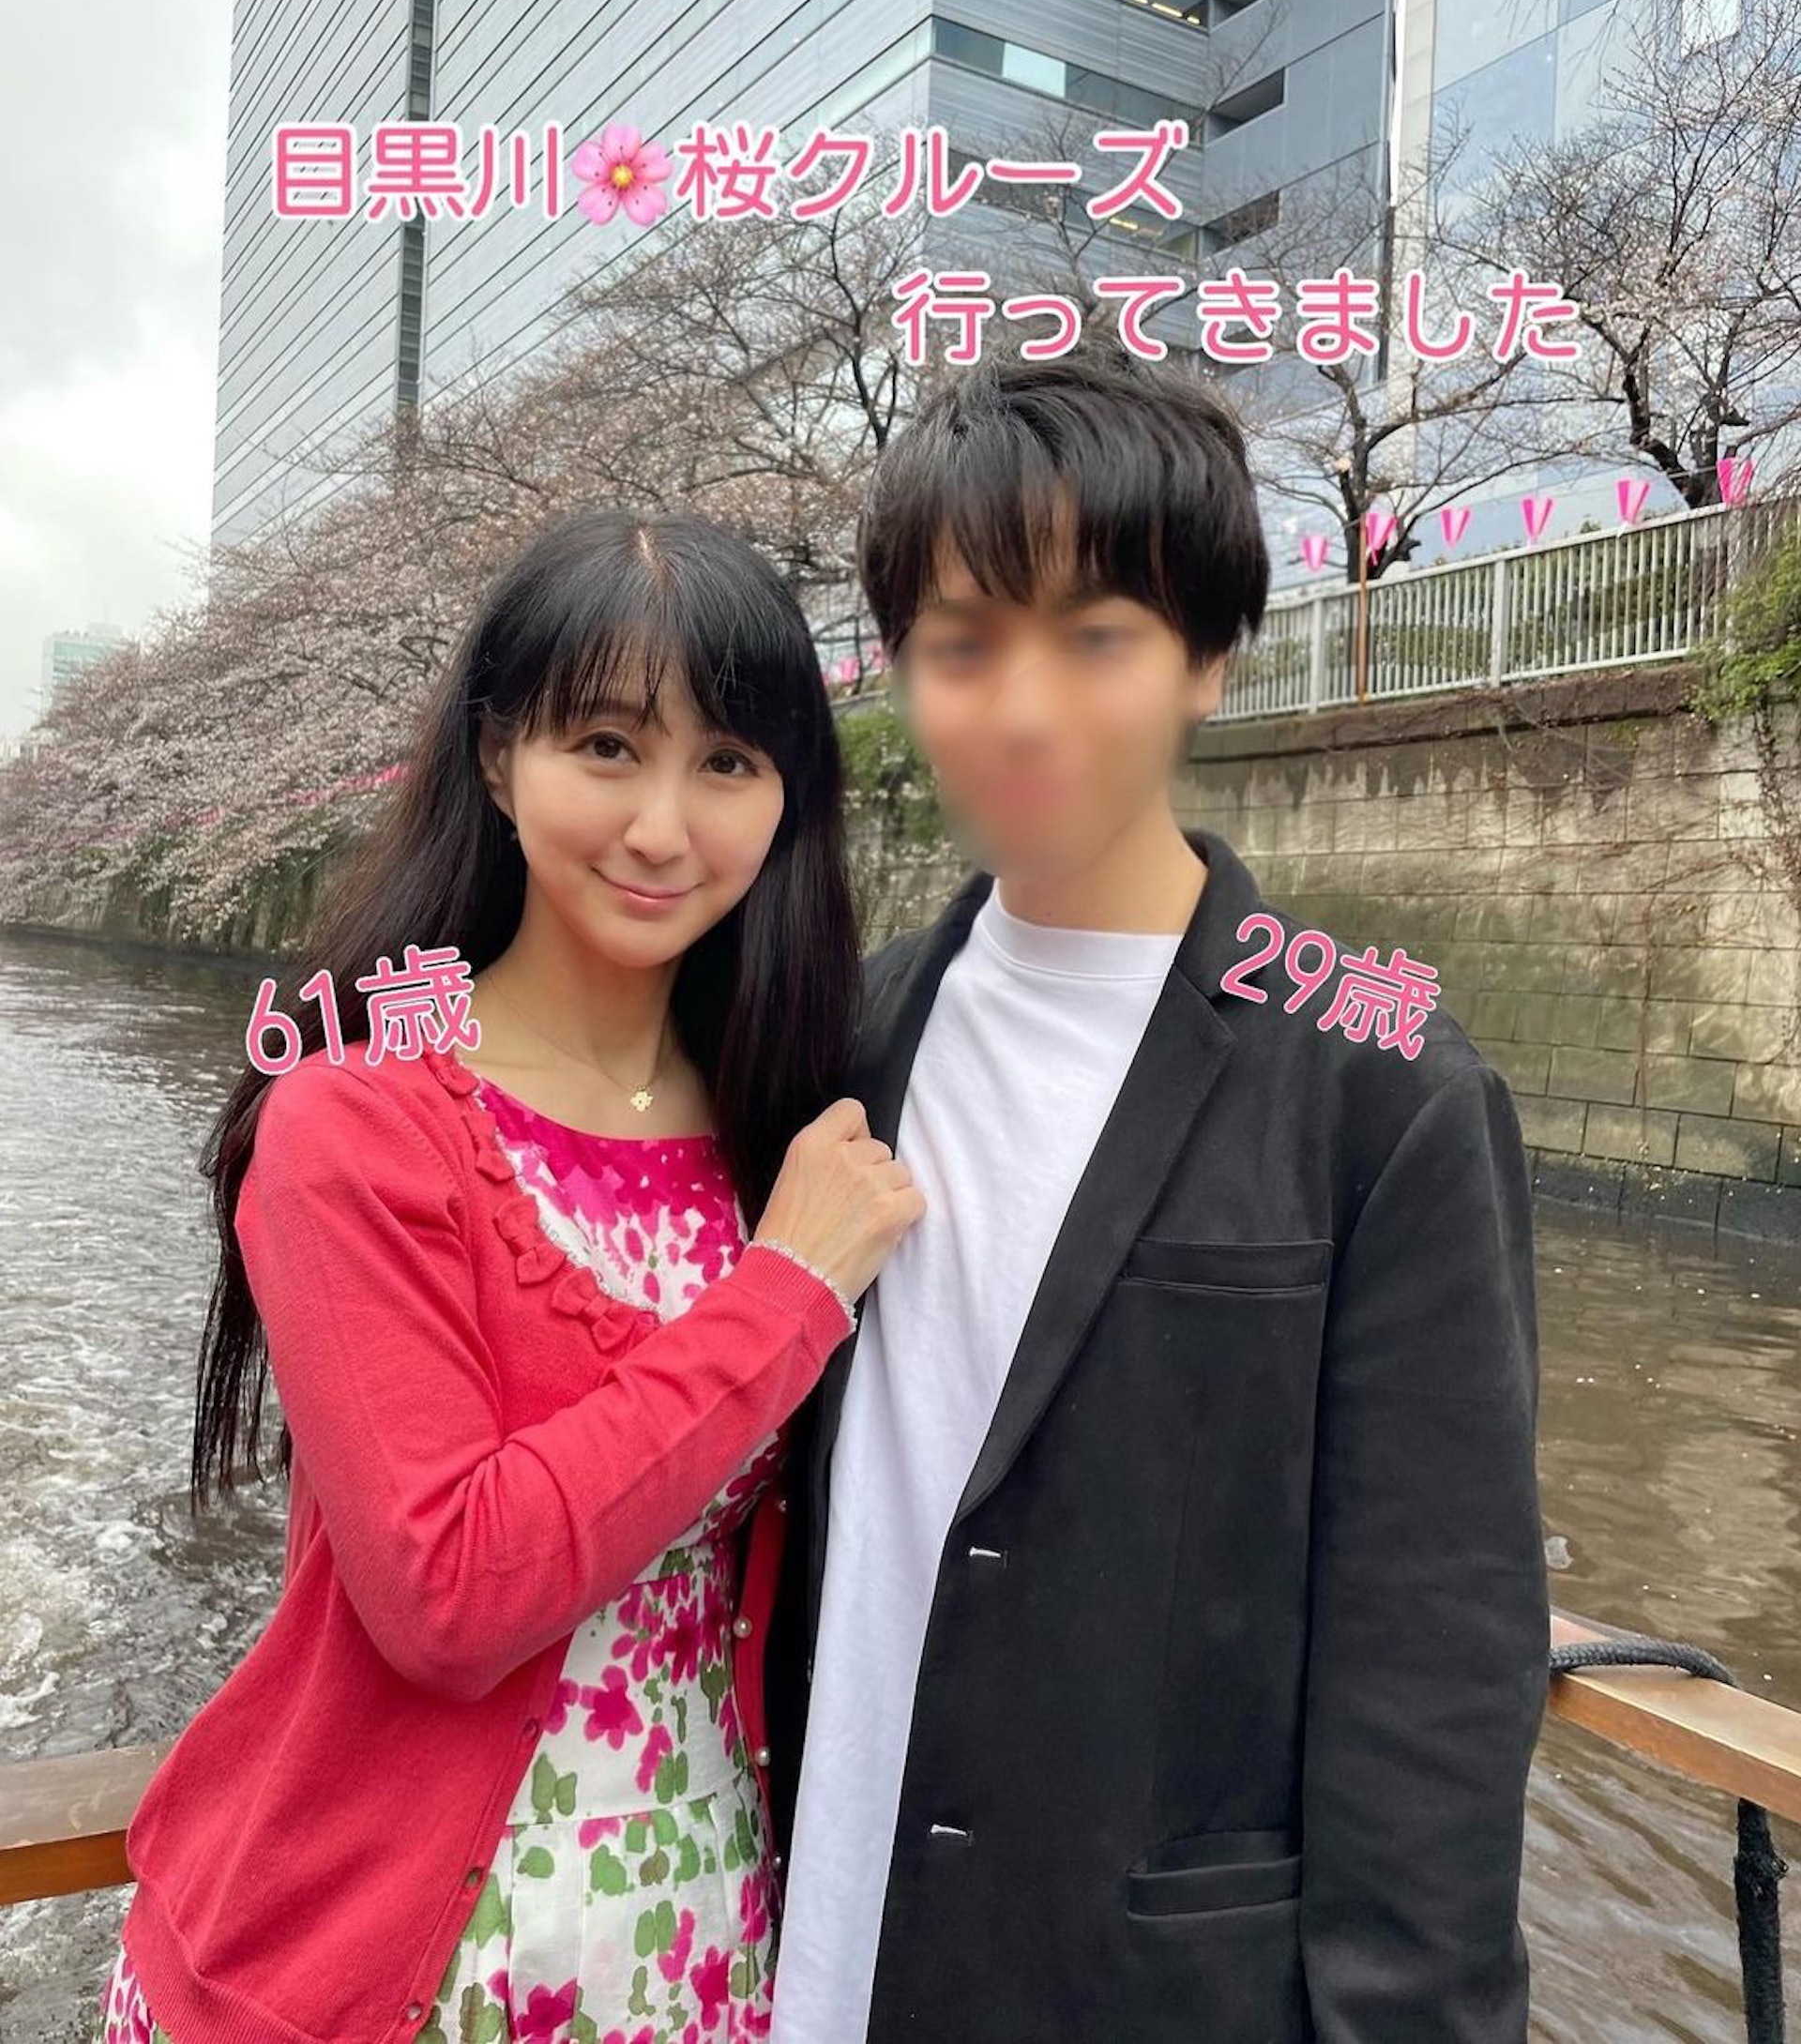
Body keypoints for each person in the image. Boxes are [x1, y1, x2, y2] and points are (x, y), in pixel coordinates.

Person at [763, 350, 1551, 2044]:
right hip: (822, 1947)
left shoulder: (1380, 1088)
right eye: (964, 644)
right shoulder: (849, 1034)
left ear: (1208, 658)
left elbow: (1439, 1660)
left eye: (1097, 636)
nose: (1024, 709)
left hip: (1142, 1989)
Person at [95, 507, 923, 2044]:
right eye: (606, 747)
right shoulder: (359, 1119)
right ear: (497, 758)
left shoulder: (788, 1125)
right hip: (357, 1978)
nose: (663, 827)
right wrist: (785, 1295)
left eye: (727, 763)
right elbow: (447, 1592)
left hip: (692, 1950)